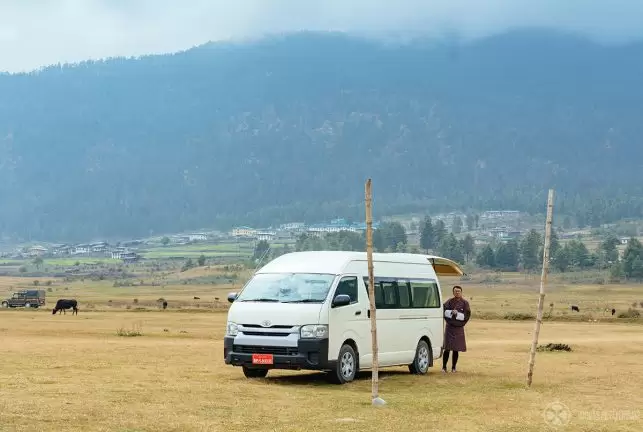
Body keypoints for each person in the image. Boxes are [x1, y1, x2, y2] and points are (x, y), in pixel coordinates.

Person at [442, 285, 471, 373]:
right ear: (453, 292)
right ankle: (444, 367)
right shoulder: (449, 302)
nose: (457, 292)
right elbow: (444, 311)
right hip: (449, 327)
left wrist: (458, 314)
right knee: (447, 348)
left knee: (456, 349)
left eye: (458, 291)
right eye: (455, 291)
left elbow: (467, 315)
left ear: (461, 292)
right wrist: (451, 312)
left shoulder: (465, 303)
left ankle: (454, 367)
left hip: (458, 328)